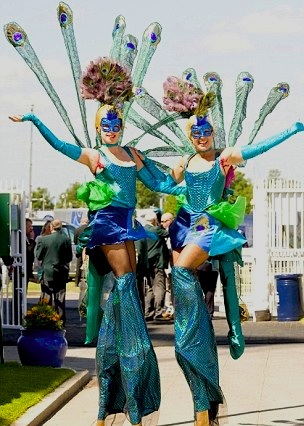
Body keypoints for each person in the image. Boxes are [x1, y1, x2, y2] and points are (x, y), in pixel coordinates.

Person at [8, 68, 184, 425]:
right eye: (106, 123)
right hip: (107, 225)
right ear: (97, 126)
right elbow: (60, 146)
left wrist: (190, 173)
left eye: (116, 122)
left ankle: (114, 385)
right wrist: (34, 119)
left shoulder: (133, 154)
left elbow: (163, 182)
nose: (112, 127)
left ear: (123, 124)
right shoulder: (95, 156)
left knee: (125, 295)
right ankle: (133, 376)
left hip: (130, 225)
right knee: (128, 294)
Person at [146, 88, 304, 425]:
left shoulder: (224, 157)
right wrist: (136, 161)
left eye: (207, 132)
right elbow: (160, 183)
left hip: (208, 223)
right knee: (181, 275)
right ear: (189, 136)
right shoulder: (185, 161)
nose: (202, 137)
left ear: (213, 133)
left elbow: (258, 148)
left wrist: (294, 129)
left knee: (187, 271)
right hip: (185, 221)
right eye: (196, 133)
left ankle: (226, 328)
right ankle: (192, 327)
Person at [35, 219, 73, 325]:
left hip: (47, 272)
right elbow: (69, 257)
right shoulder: (66, 240)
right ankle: (60, 321)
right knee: (60, 298)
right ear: (61, 227)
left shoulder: (44, 240)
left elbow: (38, 256)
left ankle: (46, 320)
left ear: (51, 227)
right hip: (61, 272)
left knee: (46, 297)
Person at [142, 211, 170, 321]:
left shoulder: (143, 230)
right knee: (159, 287)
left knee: (149, 288)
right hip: (158, 262)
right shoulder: (157, 230)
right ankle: (158, 312)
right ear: (154, 220)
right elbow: (168, 234)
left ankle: (148, 312)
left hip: (147, 263)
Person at [160, 212, 175, 319]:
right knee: (169, 287)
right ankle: (170, 308)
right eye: (161, 221)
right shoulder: (162, 232)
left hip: (175, 262)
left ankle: (175, 308)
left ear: (171, 220)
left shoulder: (174, 231)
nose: (162, 224)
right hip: (167, 264)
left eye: (164, 221)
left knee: (174, 286)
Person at [74, 217, 89, 287]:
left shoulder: (77, 230)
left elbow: (75, 241)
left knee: (78, 266)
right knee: (88, 265)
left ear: (81, 222)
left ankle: (76, 282)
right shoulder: (89, 229)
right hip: (88, 250)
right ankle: (87, 280)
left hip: (80, 250)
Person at [25, 218, 36, 289]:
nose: (31, 228)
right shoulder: (20, 237)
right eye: (29, 226)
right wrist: (32, 239)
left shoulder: (27, 238)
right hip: (23, 269)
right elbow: (27, 251)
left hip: (28, 269)